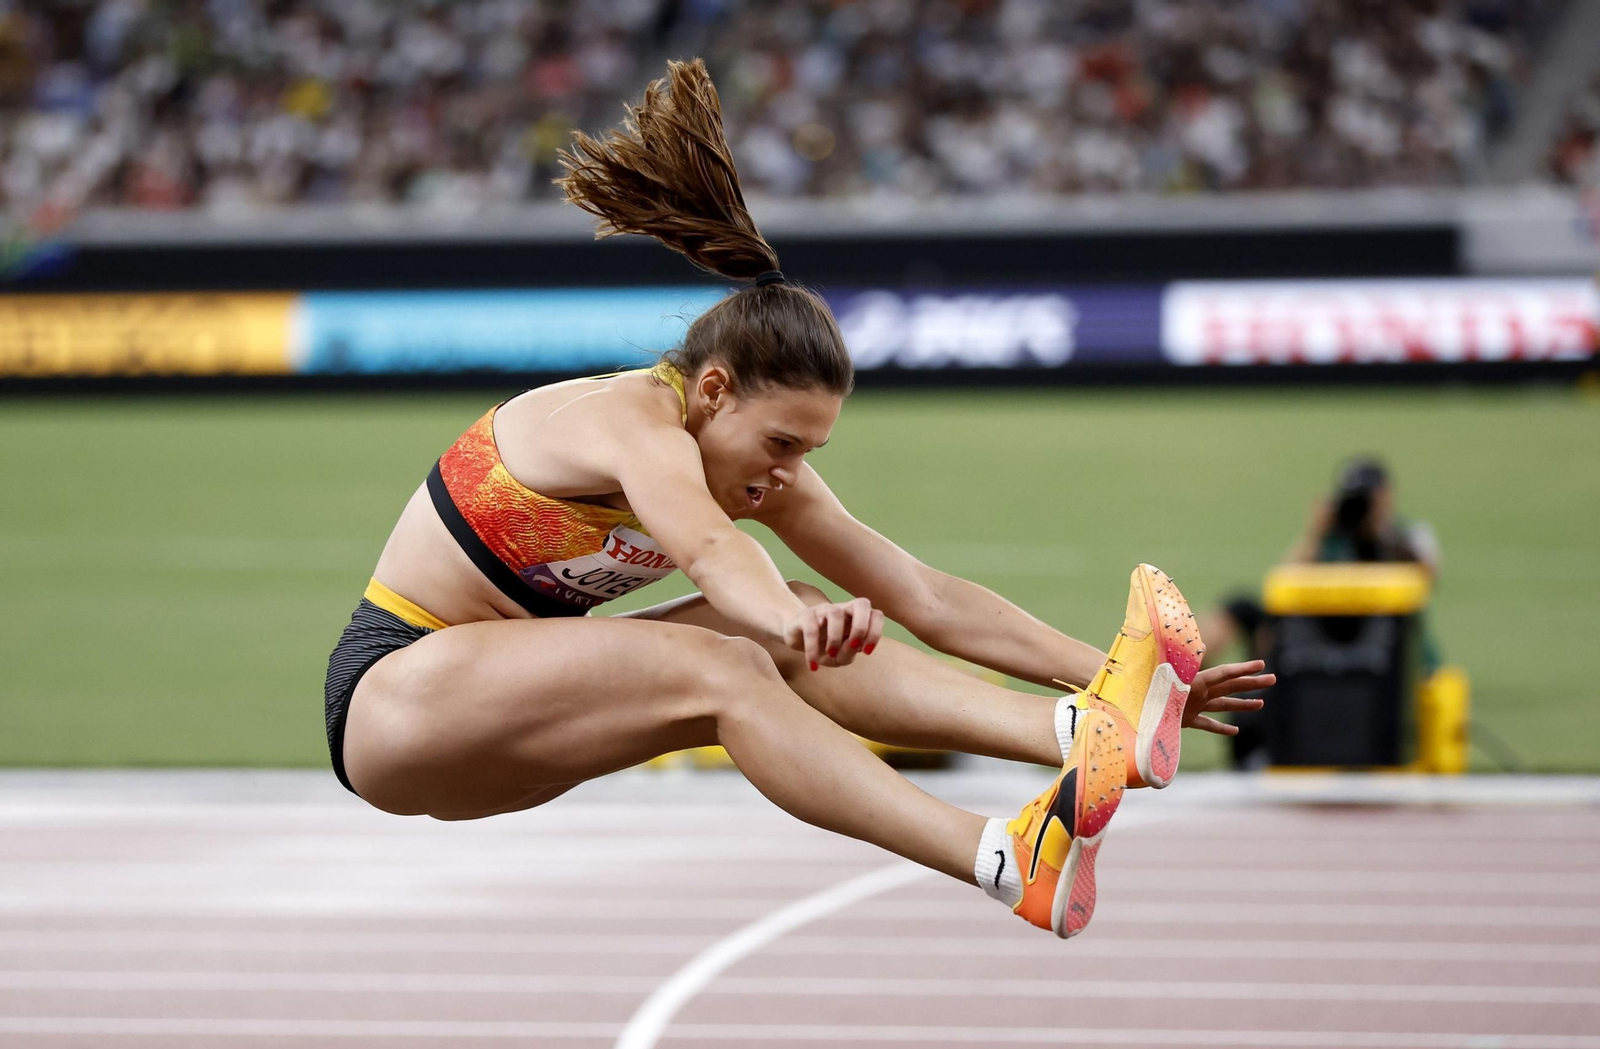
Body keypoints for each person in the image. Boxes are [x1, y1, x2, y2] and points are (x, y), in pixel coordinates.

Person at [323, 59, 1272, 940]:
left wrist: (1117, 681)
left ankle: (1081, 731)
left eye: (811, 449)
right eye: (781, 442)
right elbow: (707, 550)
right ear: (714, 390)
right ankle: (1002, 857)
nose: (786, 472)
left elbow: (925, 596)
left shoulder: (749, 459)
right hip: (398, 700)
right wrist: (777, 618)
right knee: (743, 654)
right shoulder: (629, 422)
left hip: (503, 734)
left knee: (803, 623)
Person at [1201, 456, 1440, 767]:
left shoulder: (1406, 536)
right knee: (1243, 606)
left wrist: (1380, 529)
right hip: (1315, 632)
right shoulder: (1329, 538)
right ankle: (1185, 674)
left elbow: (1426, 575)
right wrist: (1316, 533)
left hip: (1374, 638)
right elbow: (1280, 588)